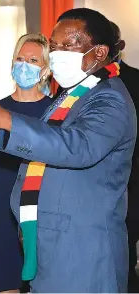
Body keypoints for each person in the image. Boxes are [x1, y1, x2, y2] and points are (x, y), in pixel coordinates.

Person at [0, 8, 137, 292]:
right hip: (53, 246)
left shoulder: (109, 99)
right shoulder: (73, 97)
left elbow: (75, 146)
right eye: (53, 46)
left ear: (99, 53)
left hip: (82, 252)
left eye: (67, 45)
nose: (57, 52)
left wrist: (5, 119)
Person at [0, 33, 52, 293]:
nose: (25, 65)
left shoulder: (55, 112)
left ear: (45, 69)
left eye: (33, 60)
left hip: (39, 214)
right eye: (20, 58)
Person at [111, 20, 139, 293]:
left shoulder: (136, 80)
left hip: (132, 182)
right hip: (93, 187)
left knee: (124, 255)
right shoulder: (75, 85)